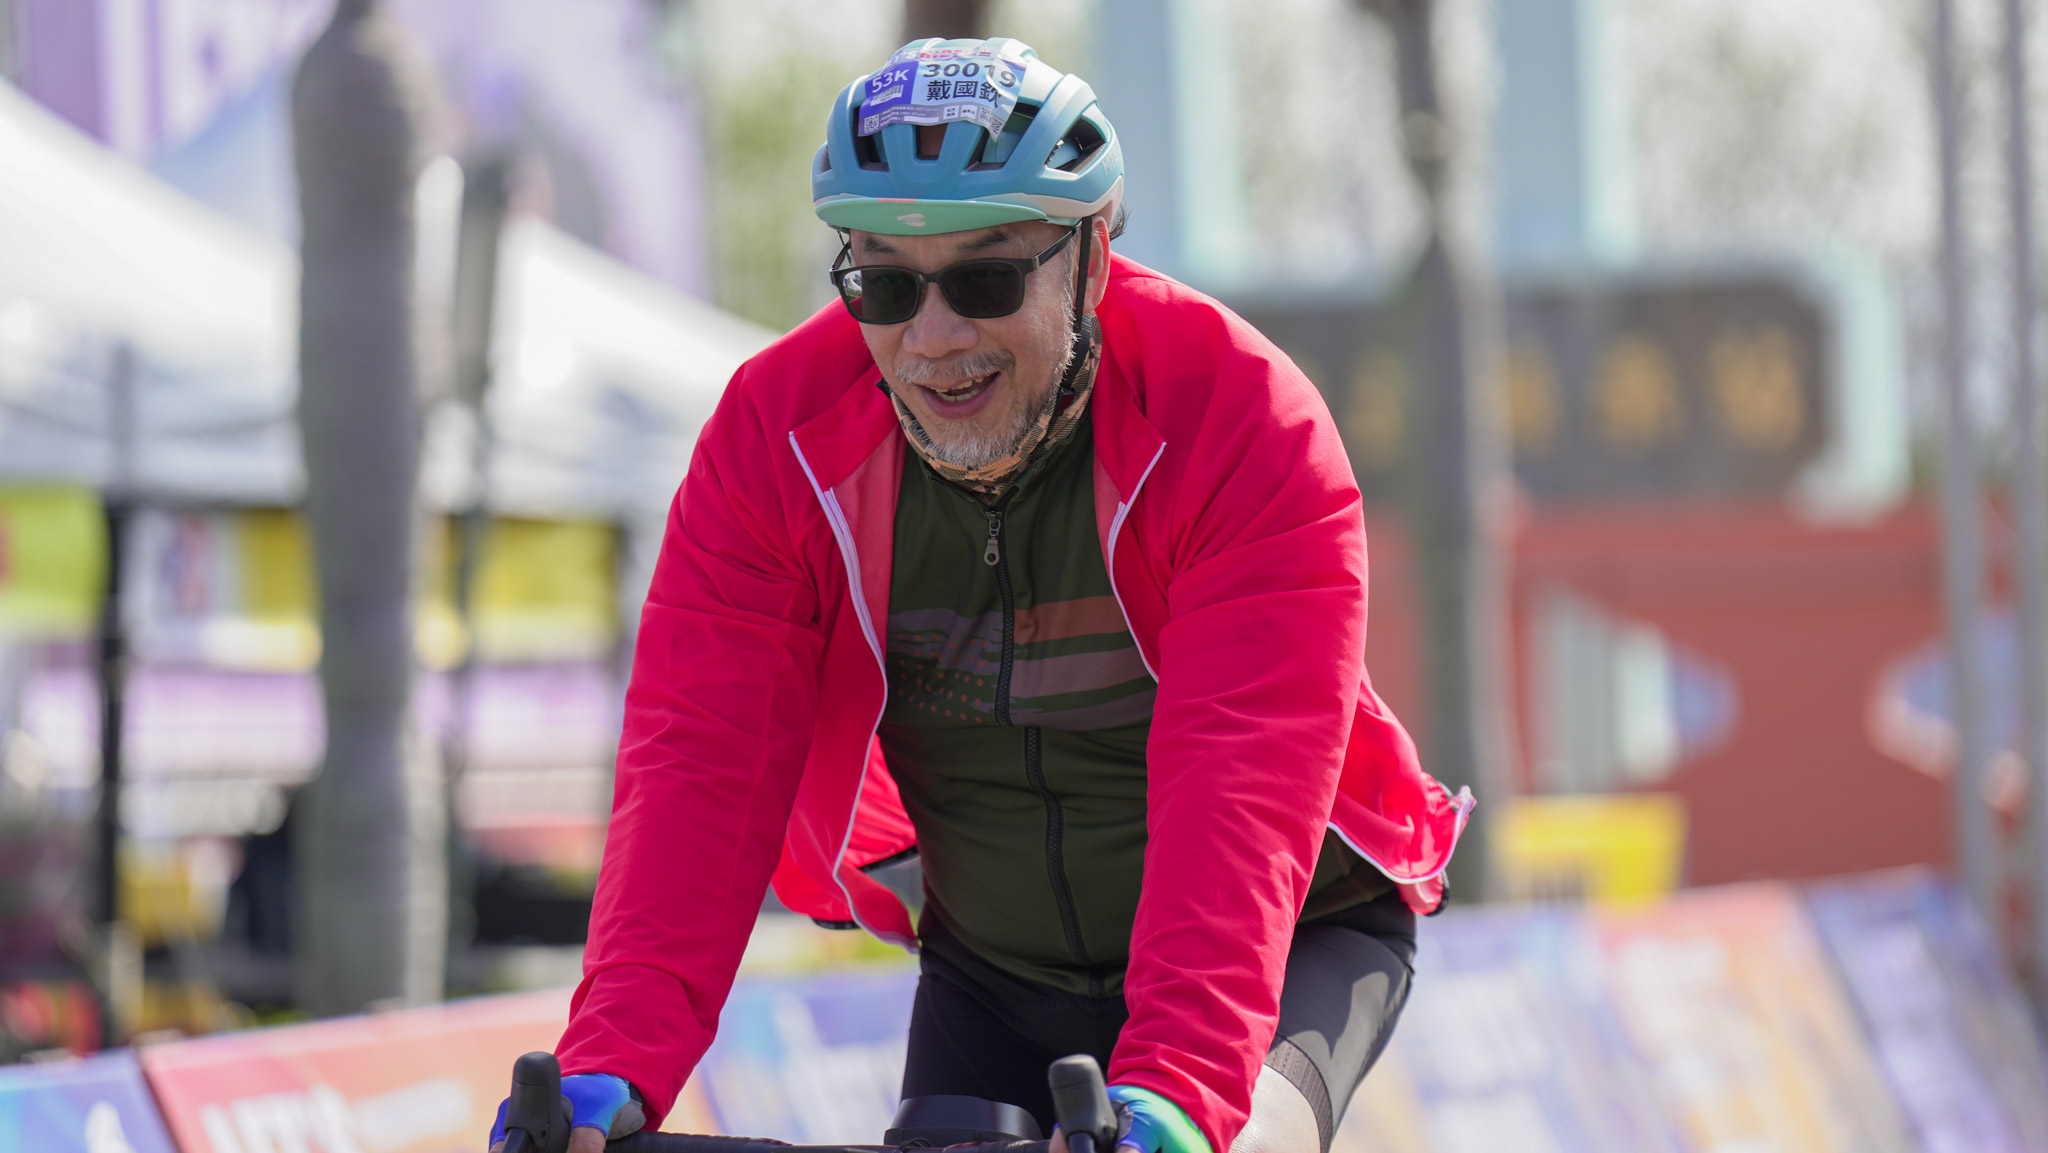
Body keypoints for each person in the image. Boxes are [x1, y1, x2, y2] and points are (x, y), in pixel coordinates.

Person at [490, 35, 1471, 1153]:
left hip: (1291, 943)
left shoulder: (1239, 419)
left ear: (1089, 260)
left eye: (986, 278)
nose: (933, 337)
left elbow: (1239, 792)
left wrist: (1179, 1095)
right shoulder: (772, 439)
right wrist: (610, 1062)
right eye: (884, 284)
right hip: (994, 970)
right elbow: (699, 763)